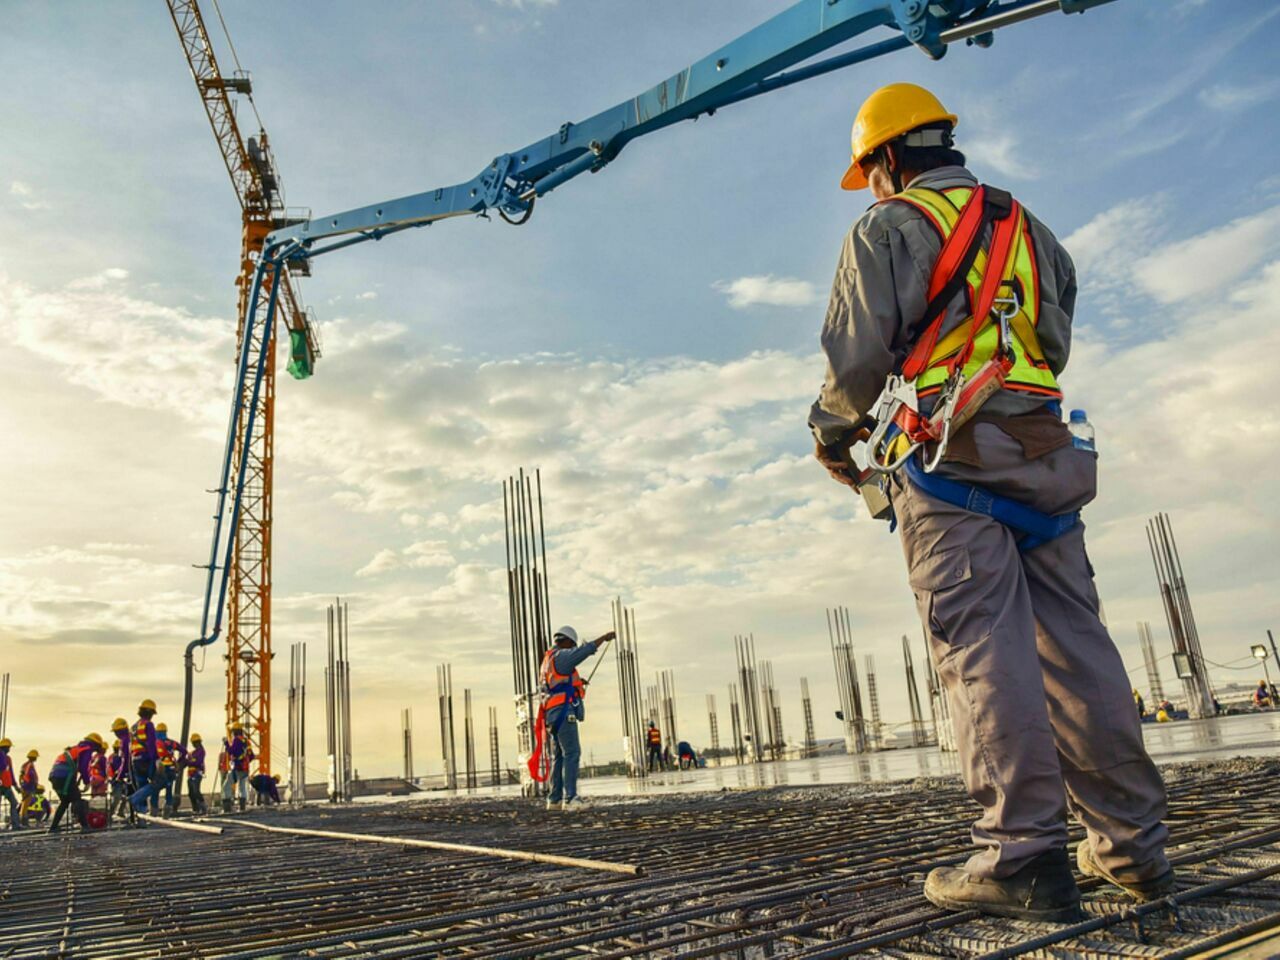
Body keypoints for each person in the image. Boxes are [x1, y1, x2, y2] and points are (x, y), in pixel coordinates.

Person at [810, 83, 1170, 922]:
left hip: (948, 462)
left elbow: (857, 356)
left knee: (983, 652)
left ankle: (1024, 856)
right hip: (1044, 454)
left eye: (868, 171)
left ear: (889, 157)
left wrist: (831, 435)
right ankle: (1135, 851)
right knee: (1079, 651)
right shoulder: (1032, 232)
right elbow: (1051, 341)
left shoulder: (889, 226)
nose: (868, 187)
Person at [539, 625, 613, 809]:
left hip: (552, 714)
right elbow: (583, 652)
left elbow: (557, 683)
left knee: (560, 756)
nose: (572, 649)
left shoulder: (548, 660)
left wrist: (579, 683)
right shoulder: (562, 656)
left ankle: (554, 799)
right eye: (572, 645)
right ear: (566, 642)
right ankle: (570, 798)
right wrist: (603, 637)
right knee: (572, 753)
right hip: (563, 712)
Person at [49, 733, 105, 832]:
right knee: (77, 799)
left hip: (55, 775)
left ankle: (53, 828)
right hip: (64, 776)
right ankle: (85, 826)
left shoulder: (76, 749)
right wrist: (87, 782)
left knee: (65, 801)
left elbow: (76, 766)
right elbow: (83, 767)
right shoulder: (87, 749)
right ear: (95, 744)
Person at [128, 699, 162, 815]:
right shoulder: (148, 724)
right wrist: (157, 759)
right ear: (150, 713)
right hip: (146, 759)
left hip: (135, 760)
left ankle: (142, 817)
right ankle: (134, 798)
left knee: (141, 785)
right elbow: (151, 744)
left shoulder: (133, 727)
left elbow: (131, 746)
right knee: (159, 782)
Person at [221, 723, 252, 813]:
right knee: (242, 787)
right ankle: (242, 808)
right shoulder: (246, 741)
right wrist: (244, 762)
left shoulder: (236, 740)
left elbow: (231, 751)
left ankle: (227, 808)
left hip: (238, 768)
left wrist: (226, 743)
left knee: (226, 786)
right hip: (245, 768)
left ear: (234, 732)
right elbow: (251, 755)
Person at [0, 738, 21, 830]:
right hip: (2, 785)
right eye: (8, 748)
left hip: (6, 785)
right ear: (6, 747)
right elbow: (2, 766)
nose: (9, 750)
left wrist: (15, 786)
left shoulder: (8, 759)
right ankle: (15, 825)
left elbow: (10, 773)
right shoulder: (2, 756)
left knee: (14, 803)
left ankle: (15, 825)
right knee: (13, 803)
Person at [187, 733, 208, 814]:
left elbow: (197, 762)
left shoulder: (201, 751)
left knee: (196, 791)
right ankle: (195, 809)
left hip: (197, 773)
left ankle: (203, 808)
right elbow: (190, 761)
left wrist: (189, 761)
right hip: (191, 774)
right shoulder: (193, 752)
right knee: (191, 792)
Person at [19, 749, 40, 820]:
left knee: (24, 804)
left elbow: (21, 776)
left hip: (25, 786)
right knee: (25, 804)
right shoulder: (29, 765)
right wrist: (35, 784)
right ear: (33, 757)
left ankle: (23, 819)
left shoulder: (25, 765)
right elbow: (31, 776)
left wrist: (21, 785)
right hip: (28, 787)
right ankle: (23, 820)